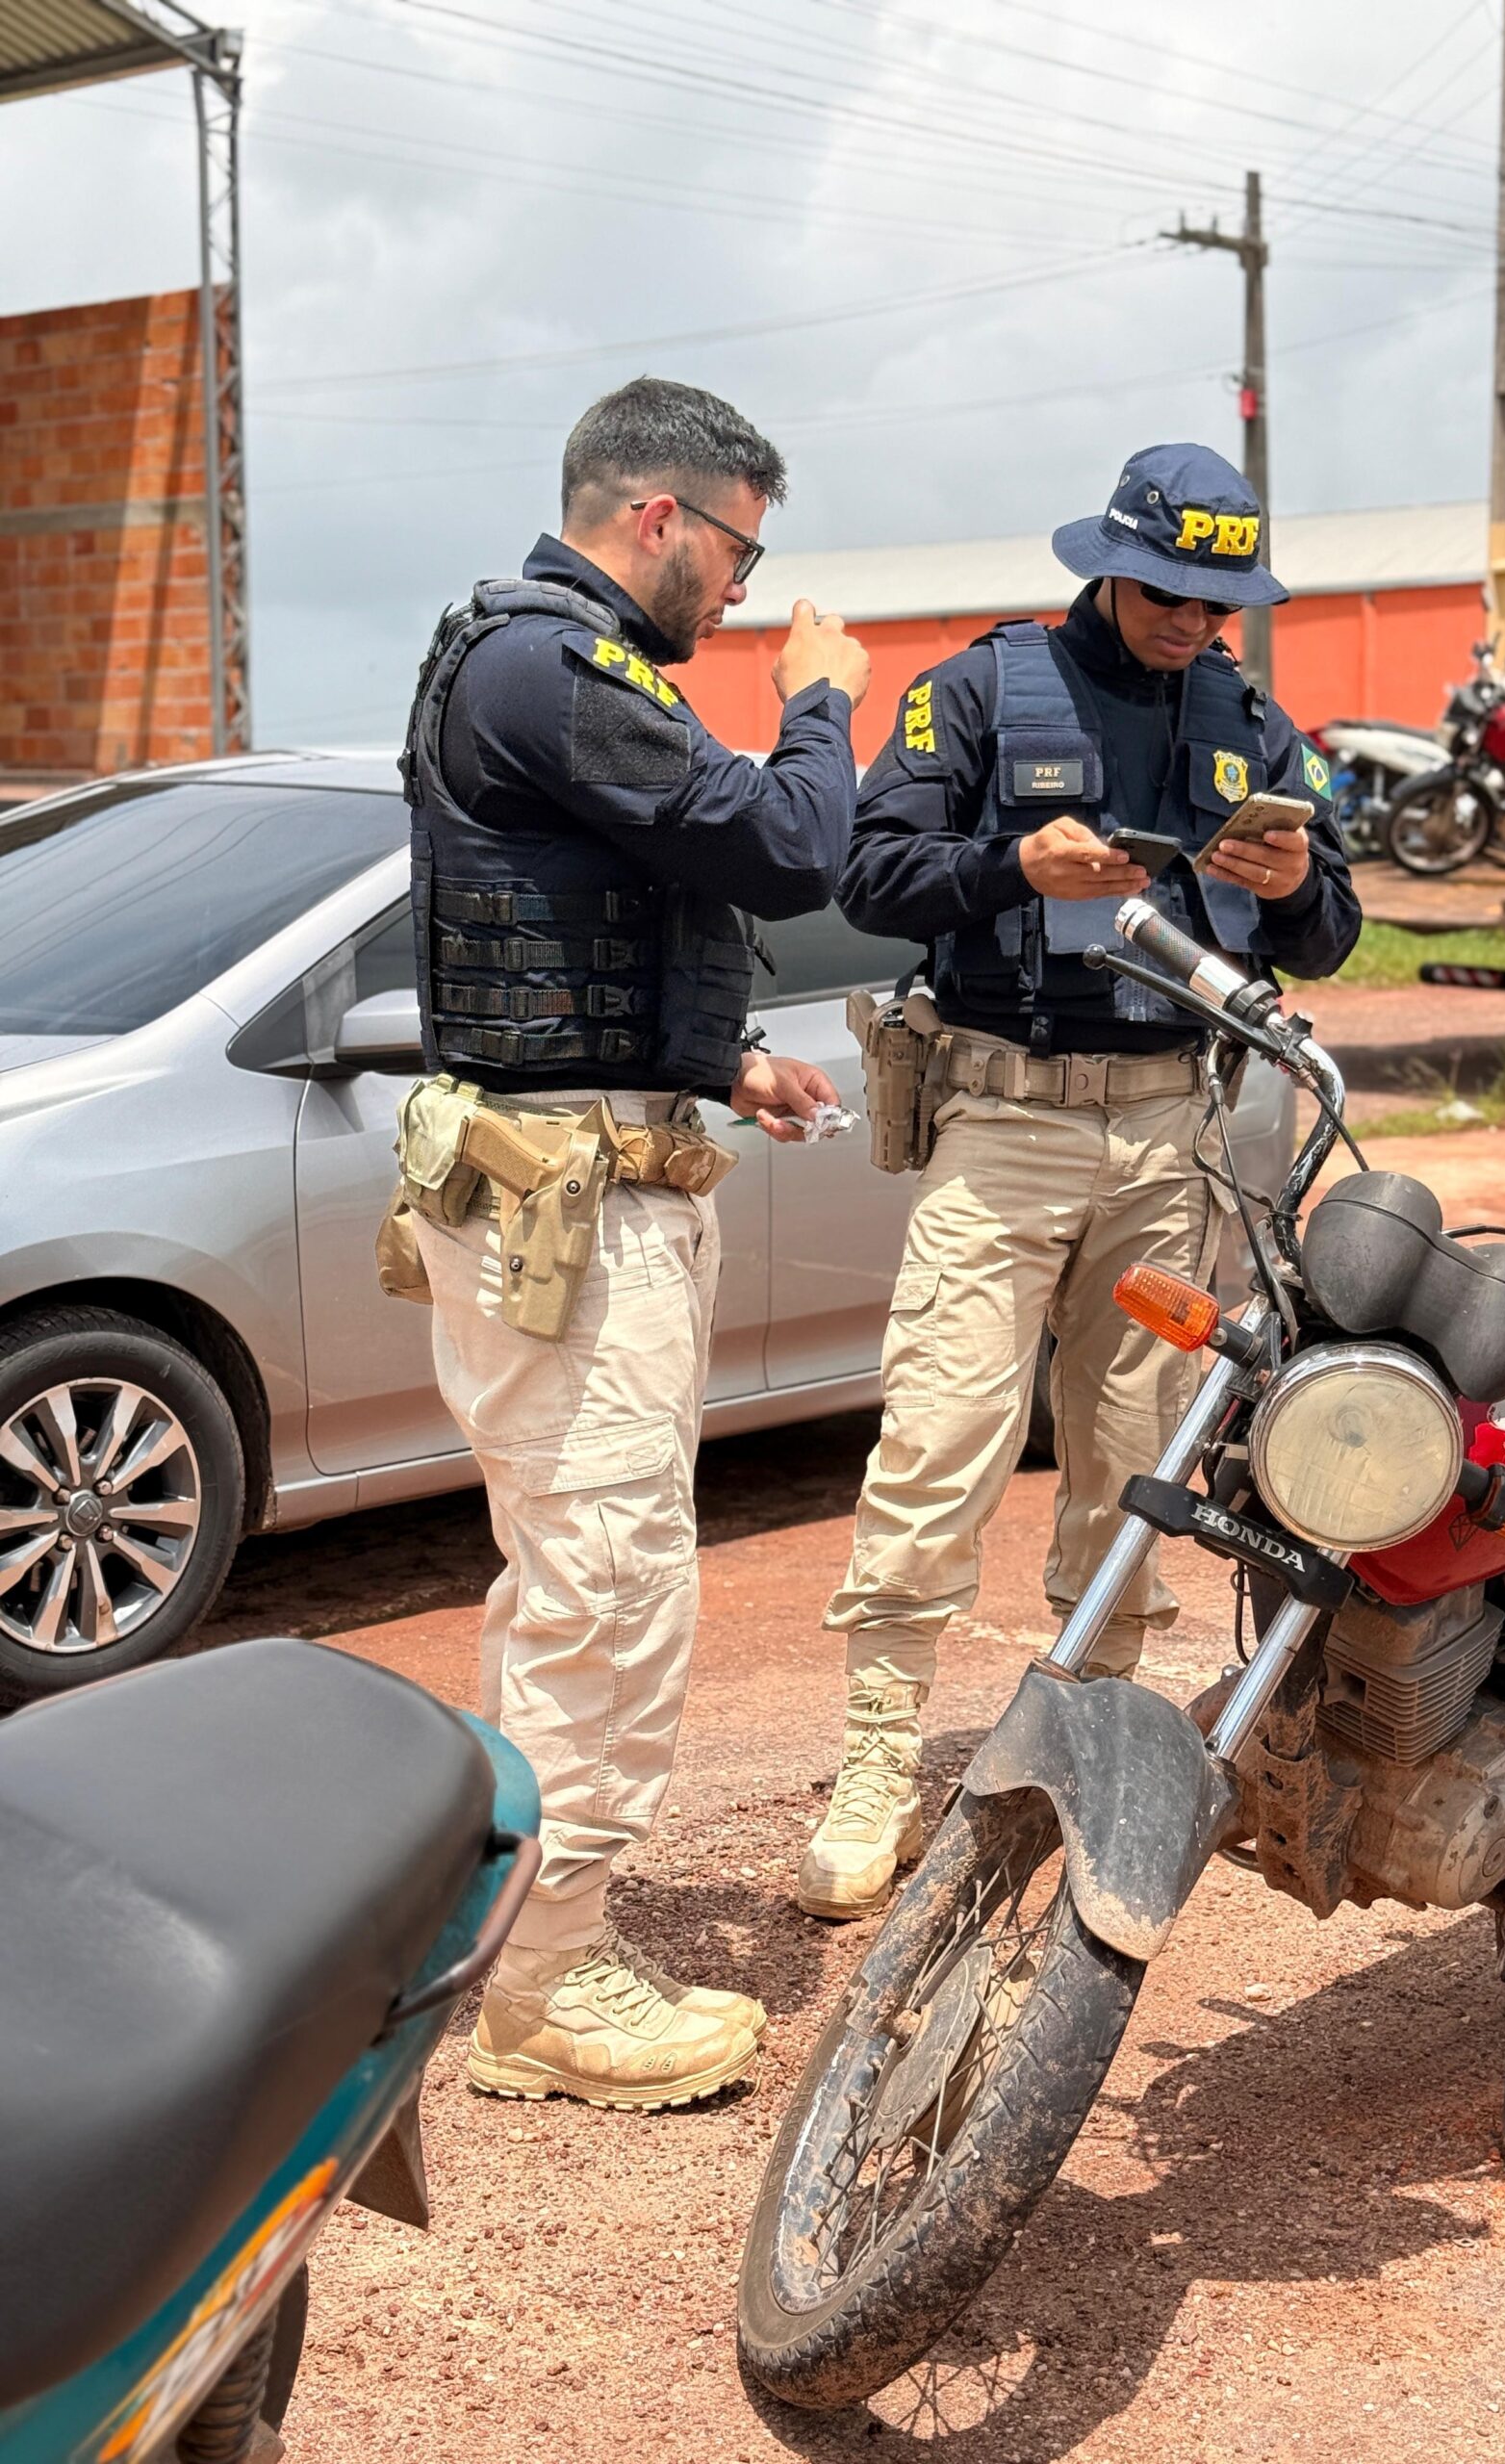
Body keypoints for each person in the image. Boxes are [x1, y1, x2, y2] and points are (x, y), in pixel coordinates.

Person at [796, 441, 1359, 1920]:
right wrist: (1005, 870)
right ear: (1109, 568)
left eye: (1217, 601)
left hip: (1172, 1132)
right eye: (1172, 593)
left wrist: (1298, 890)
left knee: (1131, 1451)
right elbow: (867, 877)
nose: (1194, 623)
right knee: (940, 1432)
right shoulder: (982, 691)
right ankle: (874, 1759)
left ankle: (1080, 1729)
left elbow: (1331, 931)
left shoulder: (1248, 718)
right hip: (1008, 1116)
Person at [396, 375, 869, 2104]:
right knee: (609, 1585)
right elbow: (789, 839)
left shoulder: (534, 660)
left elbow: (554, 951)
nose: (743, 591)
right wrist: (822, 706)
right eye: (738, 549)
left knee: (569, 1575)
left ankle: (524, 1920)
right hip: (570, 1217)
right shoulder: (550, 660)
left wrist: (723, 1062)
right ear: (656, 516)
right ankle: (547, 1991)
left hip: (590, 1172)